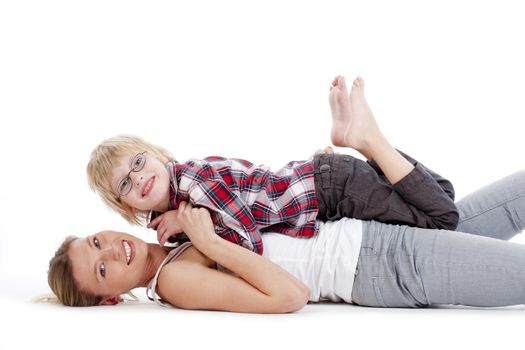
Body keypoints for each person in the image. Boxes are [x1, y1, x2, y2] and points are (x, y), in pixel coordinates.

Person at [47, 169, 525, 310]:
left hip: (367, 228)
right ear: (111, 298)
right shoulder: (175, 281)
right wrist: (209, 243)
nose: (110, 251)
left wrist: (188, 222)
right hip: (379, 266)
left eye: (95, 243)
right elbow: (289, 295)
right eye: (103, 270)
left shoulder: (175, 229)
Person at [86, 76, 458, 254]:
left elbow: (247, 242)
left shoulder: (194, 182)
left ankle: (368, 140)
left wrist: (188, 223)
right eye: (124, 184)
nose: (138, 179)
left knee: (442, 218)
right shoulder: (182, 203)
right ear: (126, 205)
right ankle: (358, 144)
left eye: (138, 162)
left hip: (331, 191)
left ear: (159, 154)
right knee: (442, 194)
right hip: (325, 178)